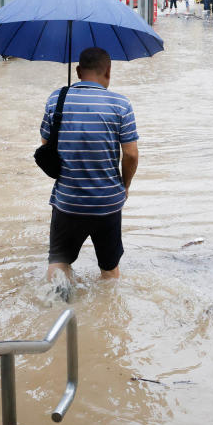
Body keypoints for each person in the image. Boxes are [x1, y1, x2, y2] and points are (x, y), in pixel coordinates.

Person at [40, 47, 139, 282]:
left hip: (67, 201)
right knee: (109, 268)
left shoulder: (57, 99)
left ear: (77, 71)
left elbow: (45, 144)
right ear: (109, 71)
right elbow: (131, 155)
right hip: (107, 202)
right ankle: (107, 313)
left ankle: (57, 310)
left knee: (59, 263)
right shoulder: (121, 104)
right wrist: (124, 186)